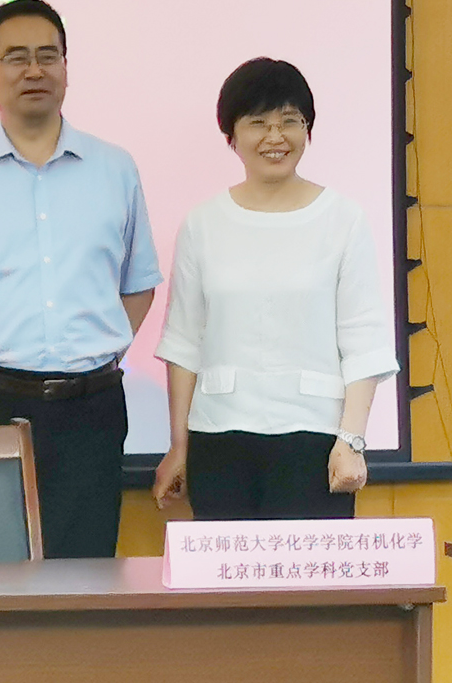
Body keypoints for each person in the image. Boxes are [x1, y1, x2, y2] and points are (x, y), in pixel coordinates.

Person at [0, 0, 162, 559]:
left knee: (84, 576)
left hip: (90, 412)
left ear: (67, 68)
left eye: (48, 56)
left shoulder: (115, 168)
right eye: (16, 57)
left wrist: (95, 352)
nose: (34, 70)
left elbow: (139, 283)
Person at [152, 58, 395, 519]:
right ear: (231, 134)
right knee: (227, 567)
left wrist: (351, 441)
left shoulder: (343, 219)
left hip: (314, 441)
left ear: (308, 129)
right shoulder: (203, 223)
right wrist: (179, 446)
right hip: (219, 438)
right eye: (258, 123)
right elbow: (184, 343)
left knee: (307, 568)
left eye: (290, 121)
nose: (275, 136)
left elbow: (363, 341)